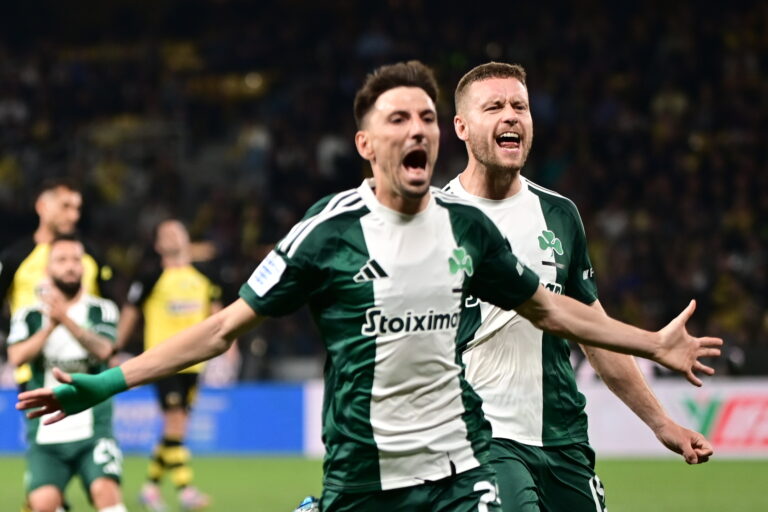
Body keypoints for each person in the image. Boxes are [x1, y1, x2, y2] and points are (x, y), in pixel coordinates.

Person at [17, 61, 721, 512]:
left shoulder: (468, 230)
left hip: (463, 466)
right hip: (364, 473)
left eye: (425, 118)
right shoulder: (327, 232)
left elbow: (553, 309)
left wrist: (652, 344)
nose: (417, 131)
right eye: (398, 120)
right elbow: (222, 328)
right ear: (365, 144)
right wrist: (108, 382)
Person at [446, 61, 714, 511]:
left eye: (520, 106)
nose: (511, 116)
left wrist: (661, 423)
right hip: (482, 434)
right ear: (461, 126)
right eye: (493, 107)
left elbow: (593, 330)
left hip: (562, 438)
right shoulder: (436, 219)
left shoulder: (559, 215)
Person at [7, 234, 126, 512]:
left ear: (84, 267)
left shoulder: (102, 309)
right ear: (48, 268)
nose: (70, 266)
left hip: (94, 429)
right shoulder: (28, 315)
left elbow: (105, 350)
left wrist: (66, 320)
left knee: (106, 493)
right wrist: (50, 326)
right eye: (62, 260)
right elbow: (16, 357)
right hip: (46, 432)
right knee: (43, 504)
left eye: (76, 259)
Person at [115, 219, 221, 511]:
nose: (173, 237)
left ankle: (150, 488)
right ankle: (186, 490)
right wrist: (115, 347)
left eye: (178, 231)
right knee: (175, 421)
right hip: (163, 361)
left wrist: (229, 347)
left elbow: (217, 314)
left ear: (187, 239)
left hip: (196, 361)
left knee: (177, 428)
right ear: (158, 245)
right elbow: (131, 312)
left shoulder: (204, 276)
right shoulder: (151, 276)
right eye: (166, 234)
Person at [0, 178, 114, 389]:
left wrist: (112, 348)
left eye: (77, 208)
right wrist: (14, 340)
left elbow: (110, 306)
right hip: (33, 368)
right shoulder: (15, 257)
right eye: (65, 206)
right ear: (42, 206)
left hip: (86, 366)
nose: (74, 216)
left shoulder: (91, 255)